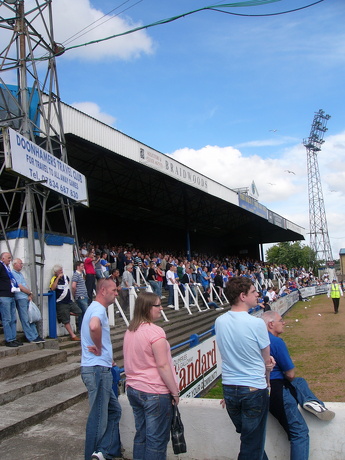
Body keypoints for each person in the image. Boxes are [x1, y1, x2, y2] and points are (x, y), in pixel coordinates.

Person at [262, 311, 335, 460]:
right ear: (271, 324)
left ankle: (311, 401)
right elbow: (290, 374)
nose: (284, 323)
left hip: (259, 389)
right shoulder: (276, 342)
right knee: (299, 432)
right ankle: (312, 401)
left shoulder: (255, 340)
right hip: (276, 390)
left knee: (299, 382)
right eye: (281, 320)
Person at [215, 277, 274, 460]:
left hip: (230, 389)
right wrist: (268, 366)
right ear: (242, 296)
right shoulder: (256, 323)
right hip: (253, 389)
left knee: (251, 441)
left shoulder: (220, 321)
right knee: (251, 445)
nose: (258, 294)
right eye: (254, 291)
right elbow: (267, 360)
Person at [123, 292, 179, 460]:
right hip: (154, 392)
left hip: (134, 389)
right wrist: (174, 392)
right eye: (158, 305)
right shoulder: (155, 332)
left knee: (142, 435)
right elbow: (163, 365)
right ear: (147, 308)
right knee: (156, 440)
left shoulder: (130, 331)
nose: (161, 309)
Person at [81, 278, 122, 460]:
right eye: (114, 290)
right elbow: (94, 326)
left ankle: (100, 452)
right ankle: (93, 454)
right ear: (103, 290)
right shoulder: (98, 308)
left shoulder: (95, 308)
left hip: (100, 367)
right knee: (98, 417)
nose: (116, 293)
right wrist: (98, 347)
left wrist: (107, 357)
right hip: (96, 369)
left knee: (114, 411)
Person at [12, 258, 45, 343]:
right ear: (14, 264)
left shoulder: (20, 274)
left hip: (26, 297)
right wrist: (29, 292)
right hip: (20, 297)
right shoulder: (13, 274)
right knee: (25, 318)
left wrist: (29, 294)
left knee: (31, 317)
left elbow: (25, 285)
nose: (21, 265)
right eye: (20, 263)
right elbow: (20, 286)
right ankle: (31, 337)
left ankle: (35, 335)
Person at [49, 264, 82, 341]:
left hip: (69, 301)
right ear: (56, 272)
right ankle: (73, 335)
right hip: (61, 302)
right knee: (66, 320)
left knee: (79, 311)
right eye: (60, 271)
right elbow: (52, 288)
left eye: (62, 270)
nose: (62, 272)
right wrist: (57, 279)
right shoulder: (54, 279)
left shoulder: (66, 277)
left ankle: (68, 313)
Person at [0, 252, 22, 347]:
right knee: (7, 319)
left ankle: (13, 338)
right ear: (3, 258)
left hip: (11, 295)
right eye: (8, 258)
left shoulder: (8, 268)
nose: (10, 260)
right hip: (4, 295)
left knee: (13, 319)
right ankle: (8, 339)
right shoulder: (1, 267)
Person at [71, 261, 89, 333]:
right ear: (78, 267)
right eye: (82, 266)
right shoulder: (76, 275)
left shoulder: (81, 275)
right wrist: (75, 295)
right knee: (86, 312)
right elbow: (73, 286)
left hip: (83, 295)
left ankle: (81, 329)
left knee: (81, 313)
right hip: (81, 296)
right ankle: (85, 329)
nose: (83, 267)